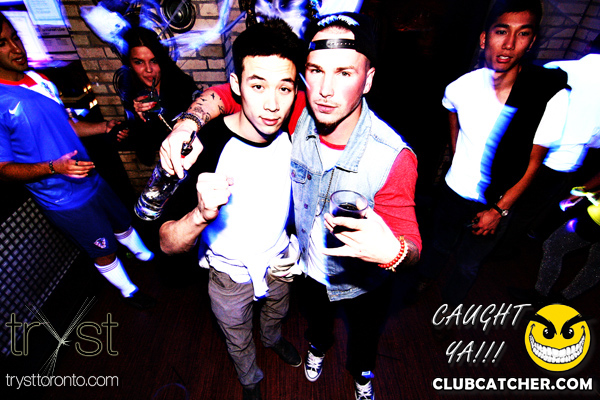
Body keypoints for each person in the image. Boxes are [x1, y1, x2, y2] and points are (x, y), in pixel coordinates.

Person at [160, 12, 421, 400]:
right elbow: (231, 92)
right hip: (282, 268)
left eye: (344, 73)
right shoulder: (291, 116)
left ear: (367, 79)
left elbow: (411, 241)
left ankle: (342, 368)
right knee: (275, 328)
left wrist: (394, 252)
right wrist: (188, 123)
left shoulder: (386, 153)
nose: (325, 90)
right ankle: (260, 374)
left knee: (343, 331)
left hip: (328, 271)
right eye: (316, 71)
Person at [159, 19, 305, 400]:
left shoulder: (296, 130)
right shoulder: (205, 145)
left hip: (279, 259)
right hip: (227, 273)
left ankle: (272, 339)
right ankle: (249, 377)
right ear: (237, 86)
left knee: (276, 313)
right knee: (236, 334)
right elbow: (166, 243)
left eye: (284, 88)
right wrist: (200, 216)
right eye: (258, 86)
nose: (272, 104)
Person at [415, 0, 570, 309]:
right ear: (485, 38)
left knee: (468, 264)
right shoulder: (462, 86)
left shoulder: (548, 96)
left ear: (532, 42)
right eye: (502, 31)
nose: (509, 44)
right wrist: (458, 155)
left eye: (522, 33)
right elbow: (452, 114)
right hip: (453, 190)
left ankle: (449, 309)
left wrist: (499, 210)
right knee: (439, 245)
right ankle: (423, 282)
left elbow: (534, 163)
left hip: (496, 200)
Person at [0, 13, 155, 310]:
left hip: (89, 175)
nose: (16, 48)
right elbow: (3, 171)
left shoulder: (40, 79)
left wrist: (103, 127)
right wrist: (53, 168)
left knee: (121, 220)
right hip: (62, 197)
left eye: (15, 37)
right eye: (2, 44)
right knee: (102, 247)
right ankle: (129, 292)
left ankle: (145, 255)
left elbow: (66, 125)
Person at [119, 26, 198, 166]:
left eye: (154, 61)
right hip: (172, 166)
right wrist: (139, 119)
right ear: (129, 64)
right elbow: (146, 158)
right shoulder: (133, 96)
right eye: (138, 62)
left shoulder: (182, 84)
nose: (148, 69)